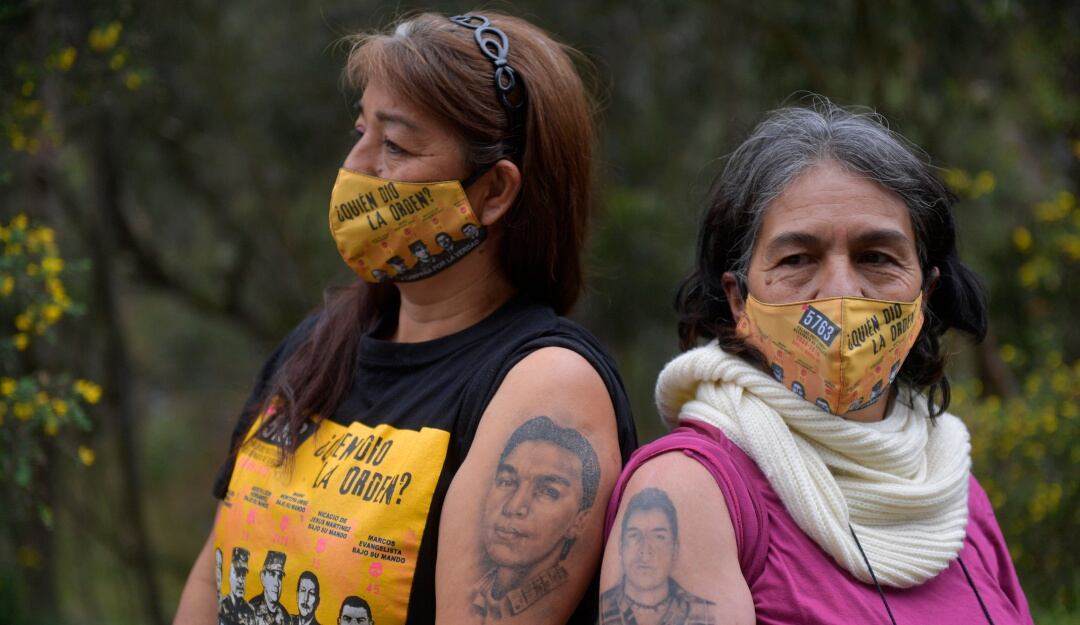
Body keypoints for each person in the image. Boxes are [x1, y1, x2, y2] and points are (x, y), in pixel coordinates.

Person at [174, 10, 636, 625]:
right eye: (361, 131)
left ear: (494, 192)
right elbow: (214, 577)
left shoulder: (546, 390)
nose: (357, 167)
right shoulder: (318, 343)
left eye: (394, 145)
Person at [600, 102, 1033, 624]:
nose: (841, 293)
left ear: (926, 292)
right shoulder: (687, 494)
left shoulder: (952, 490)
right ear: (739, 300)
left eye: (876, 256)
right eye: (797, 259)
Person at [471, 416, 600, 620]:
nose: (513, 507)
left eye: (548, 491)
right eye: (507, 481)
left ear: (579, 521)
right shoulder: (472, 593)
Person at [599, 488, 713, 625]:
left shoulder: (705, 613)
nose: (645, 550)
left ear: (675, 549)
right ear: (620, 545)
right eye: (634, 535)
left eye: (659, 537)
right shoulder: (599, 606)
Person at [249, 551, 289, 625]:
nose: (277, 583)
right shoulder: (251, 609)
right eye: (272, 574)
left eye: (280, 577)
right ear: (263, 577)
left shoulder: (286, 617)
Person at [219, 548, 253, 625]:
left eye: (243, 574)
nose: (241, 581)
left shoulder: (250, 611)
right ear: (229, 576)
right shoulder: (221, 607)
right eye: (237, 574)